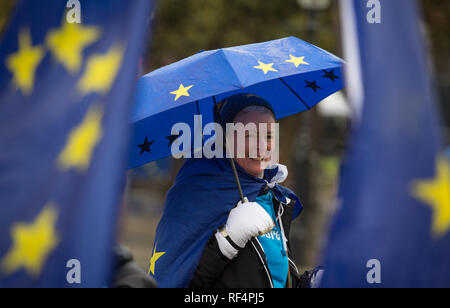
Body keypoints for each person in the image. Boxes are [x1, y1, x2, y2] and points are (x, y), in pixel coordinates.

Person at [150, 93, 321, 288]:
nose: (262, 146)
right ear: (226, 140)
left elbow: (275, 279)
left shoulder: (275, 198)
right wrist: (226, 242)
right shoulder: (199, 191)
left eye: (268, 135)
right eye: (249, 135)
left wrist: (311, 283)